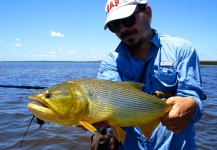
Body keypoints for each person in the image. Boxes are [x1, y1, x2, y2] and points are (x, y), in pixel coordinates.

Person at [92, 0, 204, 149]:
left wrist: (191, 106)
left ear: (148, 13)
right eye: (115, 26)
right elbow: (105, 99)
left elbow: (193, 98)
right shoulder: (111, 61)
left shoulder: (182, 49)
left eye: (128, 20)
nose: (123, 29)